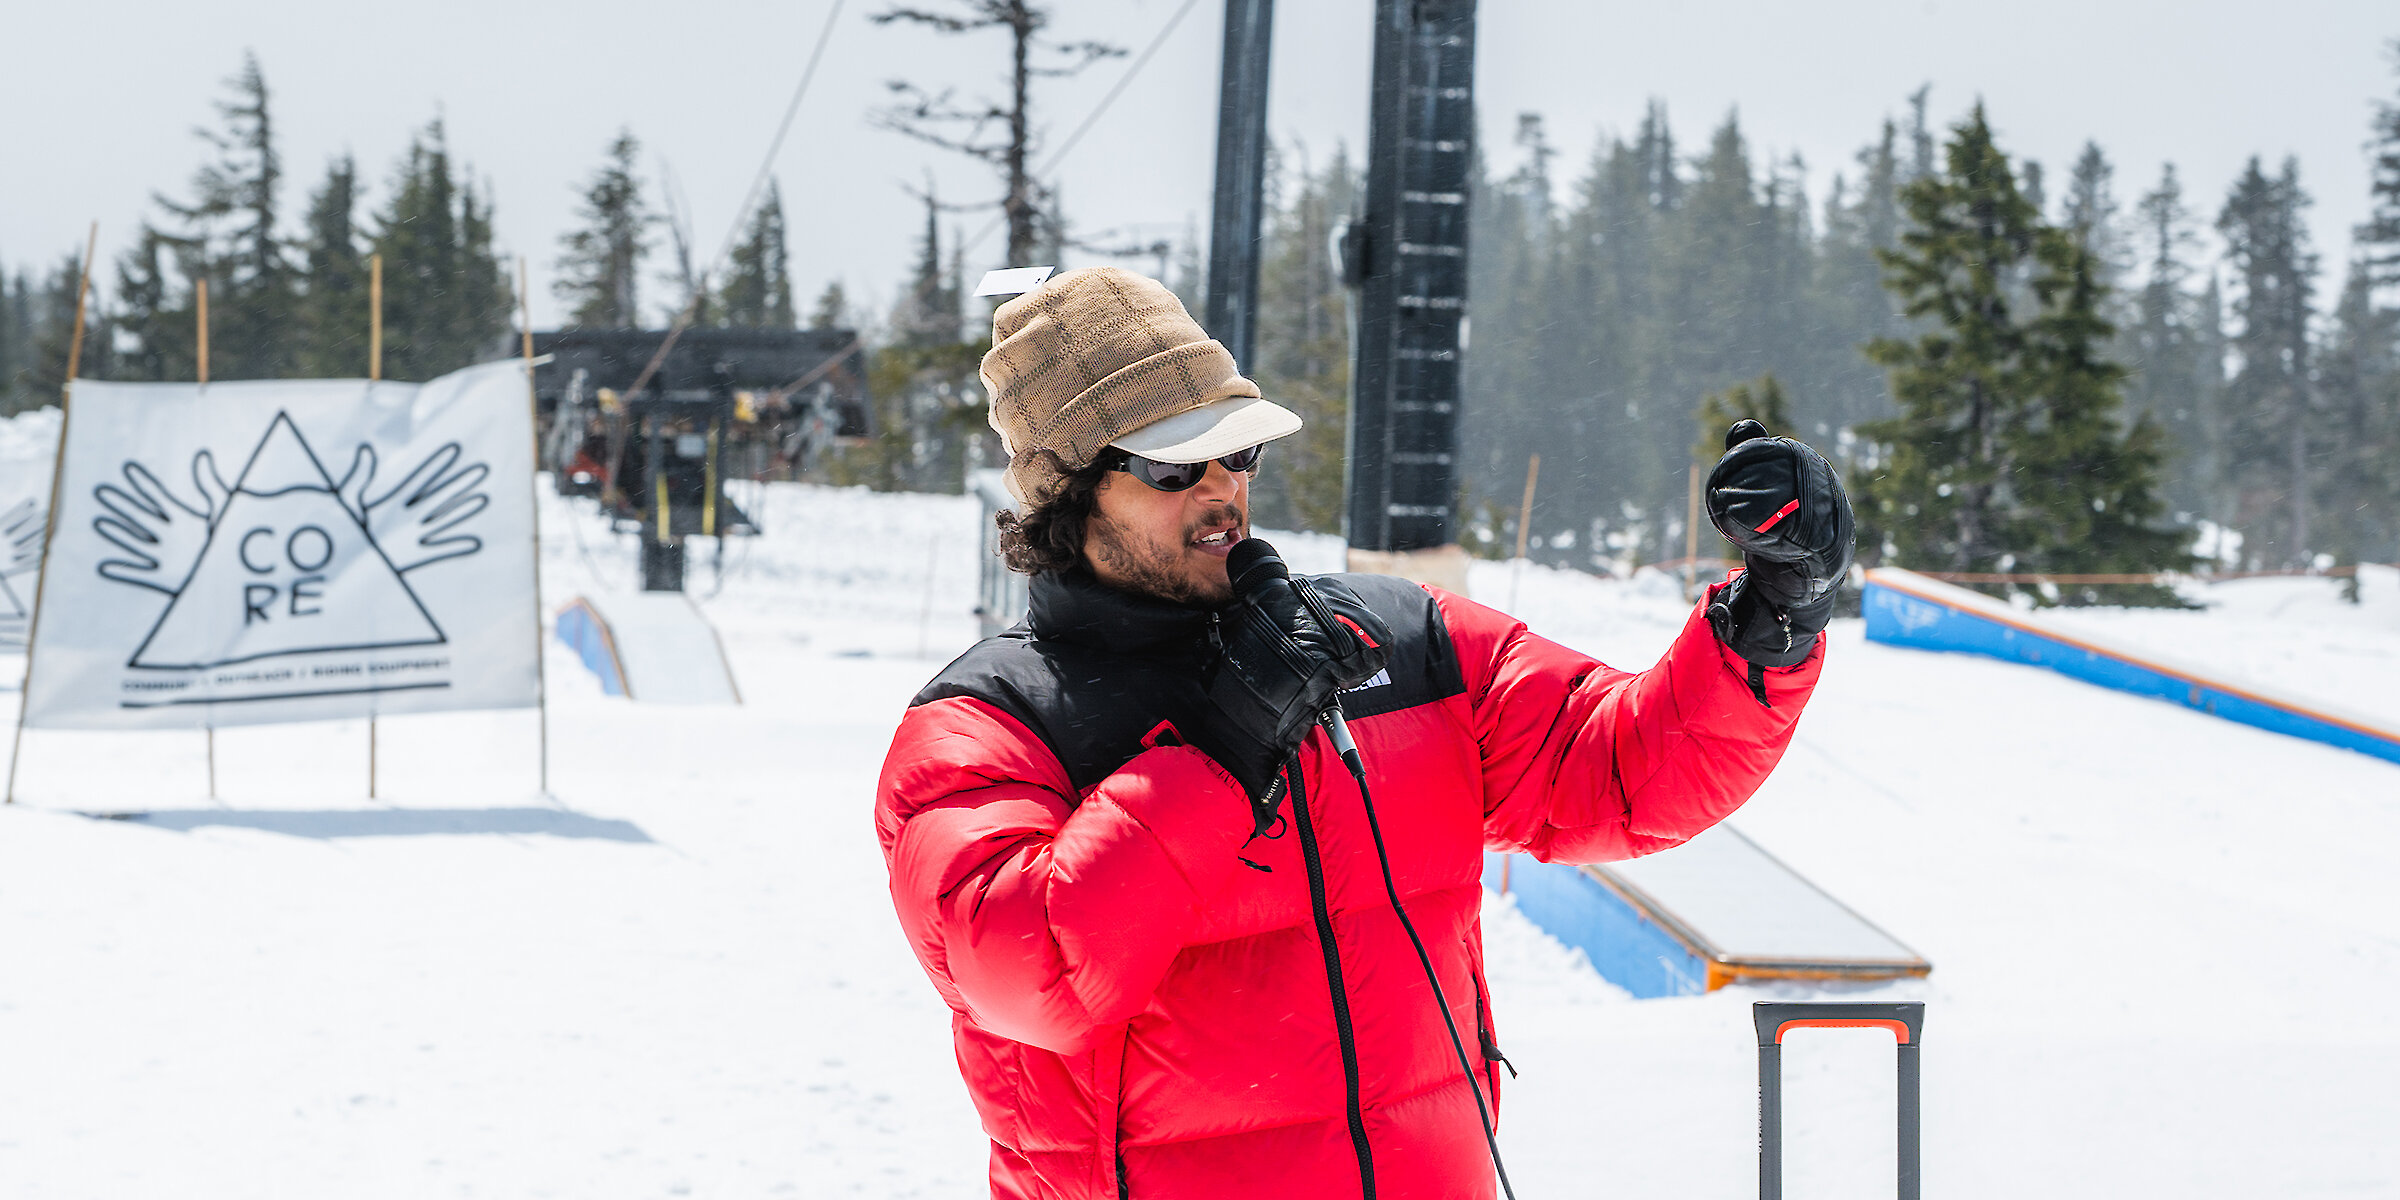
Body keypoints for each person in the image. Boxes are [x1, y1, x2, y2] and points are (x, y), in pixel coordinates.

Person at [875, 267, 1853, 1200]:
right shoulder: (989, 724)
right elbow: (1030, 973)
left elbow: (1623, 770)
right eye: (1175, 464)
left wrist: (1772, 617)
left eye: (1239, 450)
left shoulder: (1394, 641)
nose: (1223, 487)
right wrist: (1220, 754)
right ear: (1071, 493)